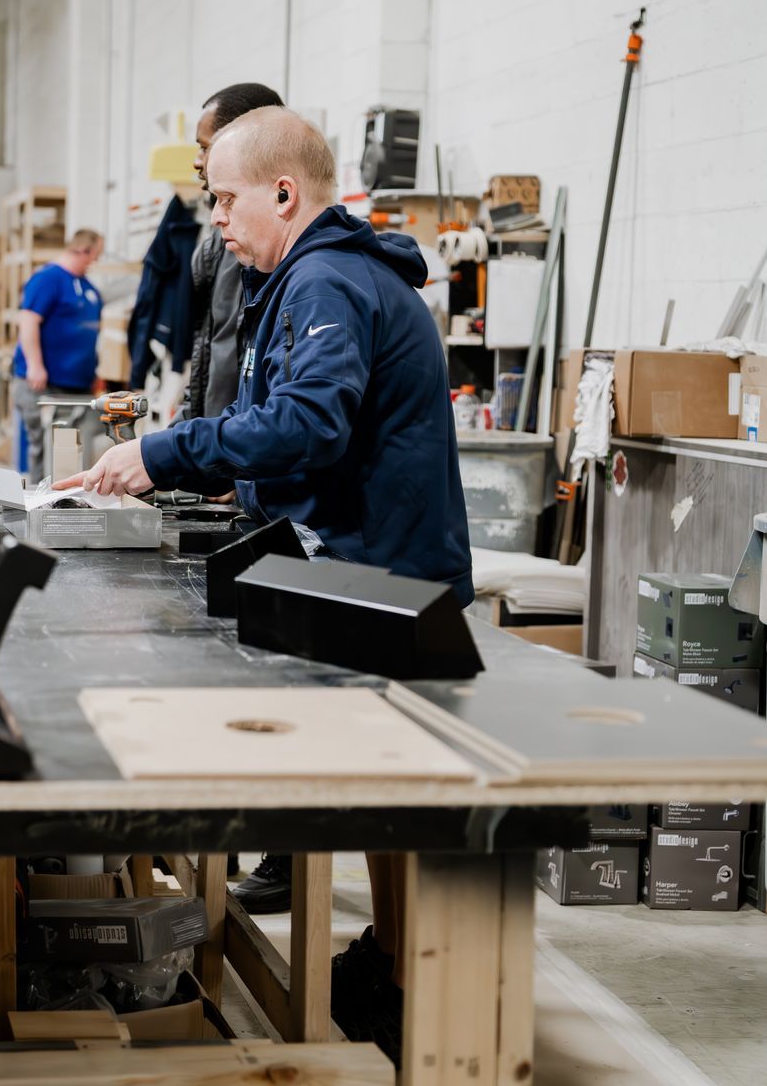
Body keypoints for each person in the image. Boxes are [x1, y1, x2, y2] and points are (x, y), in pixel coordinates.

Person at [53, 107, 472, 1062]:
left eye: (226, 199)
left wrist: (163, 453)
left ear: (284, 193)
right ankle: (398, 965)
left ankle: (410, 987)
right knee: (380, 803)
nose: (218, 222)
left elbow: (308, 425)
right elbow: (278, 425)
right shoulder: (304, 276)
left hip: (389, 579)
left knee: (390, 799)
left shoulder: (325, 279)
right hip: (368, 568)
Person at [177, 82, 291, 919]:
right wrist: (186, 439)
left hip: (249, 459)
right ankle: (229, 829)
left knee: (276, 665)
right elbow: (205, 346)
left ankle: (287, 850)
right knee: (226, 650)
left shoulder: (290, 261)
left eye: (213, 159)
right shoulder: (219, 235)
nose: (201, 178)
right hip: (223, 455)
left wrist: (222, 450)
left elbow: (282, 392)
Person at [184, 82, 284, 421]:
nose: (198, 162)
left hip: (248, 451)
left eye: (205, 147)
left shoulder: (282, 254)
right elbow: (206, 356)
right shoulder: (214, 250)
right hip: (216, 449)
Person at [10, 228, 105, 482]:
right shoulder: (48, 279)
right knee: (44, 449)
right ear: (84, 250)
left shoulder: (87, 288)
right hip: (44, 384)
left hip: (77, 387)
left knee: (72, 452)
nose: (96, 261)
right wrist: (35, 365)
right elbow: (28, 321)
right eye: (96, 254)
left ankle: (69, 501)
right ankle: (39, 503)